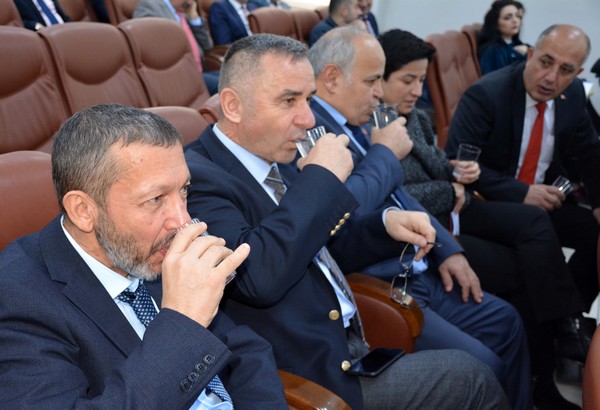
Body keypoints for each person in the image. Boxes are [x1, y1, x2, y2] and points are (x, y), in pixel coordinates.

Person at [185, 33, 511, 410]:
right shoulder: (197, 180)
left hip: (352, 345)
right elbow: (257, 276)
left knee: (492, 341)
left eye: (308, 99)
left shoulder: (274, 156)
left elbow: (318, 245)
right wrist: (320, 179)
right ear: (233, 106)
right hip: (308, 377)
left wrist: (384, 226)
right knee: (472, 378)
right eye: (289, 101)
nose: (308, 119)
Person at [0, 104, 288, 408]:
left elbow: (245, 350)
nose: (182, 220)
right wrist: (183, 323)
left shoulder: (148, 250)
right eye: (155, 199)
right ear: (83, 211)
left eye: (184, 190)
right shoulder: (18, 301)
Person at [308, 26, 530, 410]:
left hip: (418, 267)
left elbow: (402, 195)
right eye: (372, 80)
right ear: (331, 78)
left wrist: (448, 250)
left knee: (507, 322)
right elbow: (339, 213)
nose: (380, 92)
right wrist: (384, 154)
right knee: (484, 367)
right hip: (381, 279)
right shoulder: (314, 132)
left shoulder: (357, 123)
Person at [379, 28, 585, 410]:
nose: (417, 90)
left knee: (537, 233)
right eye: (408, 80)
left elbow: (441, 165)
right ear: (379, 79)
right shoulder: (376, 129)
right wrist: (450, 189)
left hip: (453, 213)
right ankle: (550, 355)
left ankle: (556, 340)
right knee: (528, 264)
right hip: (432, 230)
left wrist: (460, 173)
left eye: (421, 80)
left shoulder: (416, 117)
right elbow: (393, 196)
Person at [447, 24, 600, 339]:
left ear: (578, 73)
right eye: (545, 62)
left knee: (594, 230)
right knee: (534, 221)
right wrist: (522, 192)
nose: (551, 78)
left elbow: (590, 155)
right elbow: (455, 164)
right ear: (530, 55)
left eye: (566, 70)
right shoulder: (487, 94)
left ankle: (572, 321)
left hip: (540, 201)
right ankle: (564, 324)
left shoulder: (573, 96)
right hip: (484, 202)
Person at [134, 0, 220, 95]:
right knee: (226, 85)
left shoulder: (185, 12)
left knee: (231, 76)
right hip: (177, 77)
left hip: (199, 72)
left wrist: (194, 18)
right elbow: (146, 47)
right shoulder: (149, 5)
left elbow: (207, 46)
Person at [478, 0, 529, 75]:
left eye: (518, 16)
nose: (515, 20)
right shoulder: (492, 51)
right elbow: (493, 79)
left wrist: (528, 52)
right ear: (496, 24)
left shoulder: (520, 45)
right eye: (507, 18)